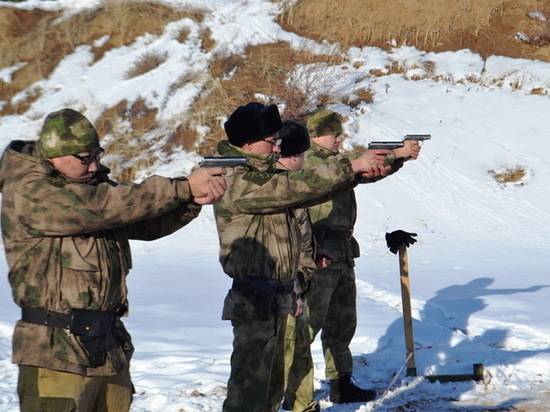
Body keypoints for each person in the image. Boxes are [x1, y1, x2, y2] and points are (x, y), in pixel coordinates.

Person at [0, 108, 227, 412]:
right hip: (55, 352)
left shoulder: (88, 190)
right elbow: (103, 207)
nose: (95, 166)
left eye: (97, 155)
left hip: (107, 347)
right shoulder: (30, 192)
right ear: (54, 156)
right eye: (84, 158)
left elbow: (142, 223)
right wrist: (181, 186)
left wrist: (190, 201)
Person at [213, 102, 395, 412]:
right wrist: (351, 167)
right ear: (247, 143)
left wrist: (306, 252)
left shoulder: (262, 173)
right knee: (250, 392)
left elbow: (290, 211)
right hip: (256, 297)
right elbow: (293, 188)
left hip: (283, 292)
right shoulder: (235, 176)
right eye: (272, 141)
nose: (277, 148)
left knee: (273, 387)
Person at [285, 107, 420, 406]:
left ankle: (341, 382)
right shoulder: (309, 163)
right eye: (336, 133)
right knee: (307, 327)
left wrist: (397, 158)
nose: (340, 139)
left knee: (342, 323)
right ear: (319, 135)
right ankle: (295, 392)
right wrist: (395, 154)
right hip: (318, 256)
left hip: (342, 253)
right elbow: (349, 167)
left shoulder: (335, 161)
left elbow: (364, 173)